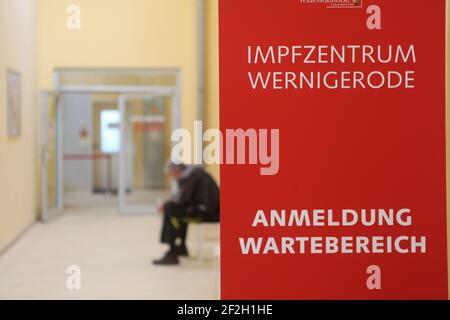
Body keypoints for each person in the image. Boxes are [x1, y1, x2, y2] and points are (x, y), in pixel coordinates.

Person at [153, 162, 220, 265]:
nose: (172, 178)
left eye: (171, 174)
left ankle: (172, 253)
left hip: (208, 213)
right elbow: (185, 199)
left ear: (175, 171)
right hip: (210, 210)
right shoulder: (194, 173)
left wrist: (164, 206)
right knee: (177, 210)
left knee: (170, 210)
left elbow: (182, 200)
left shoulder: (189, 176)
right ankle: (181, 247)